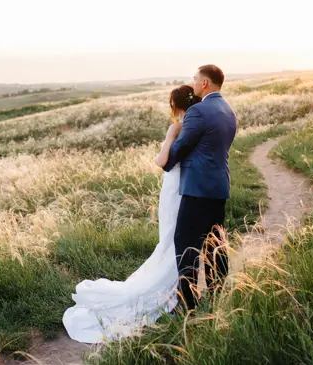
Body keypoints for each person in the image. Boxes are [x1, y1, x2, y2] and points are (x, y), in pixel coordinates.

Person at [62, 84, 201, 343]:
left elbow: (162, 161)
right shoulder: (197, 126)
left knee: (171, 236)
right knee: (174, 237)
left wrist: (169, 138)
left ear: (176, 105)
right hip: (184, 185)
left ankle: (171, 287)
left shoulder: (178, 127)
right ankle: (180, 287)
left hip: (174, 187)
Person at [163, 65, 237, 311]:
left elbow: (181, 147)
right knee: (215, 243)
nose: (193, 83)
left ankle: (187, 301)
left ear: (205, 83)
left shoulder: (199, 111)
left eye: (195, 79)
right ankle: (217, 295)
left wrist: (168, 153)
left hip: (197, 190)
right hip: (219, 187)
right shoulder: (227, 109)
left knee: (186, 243)